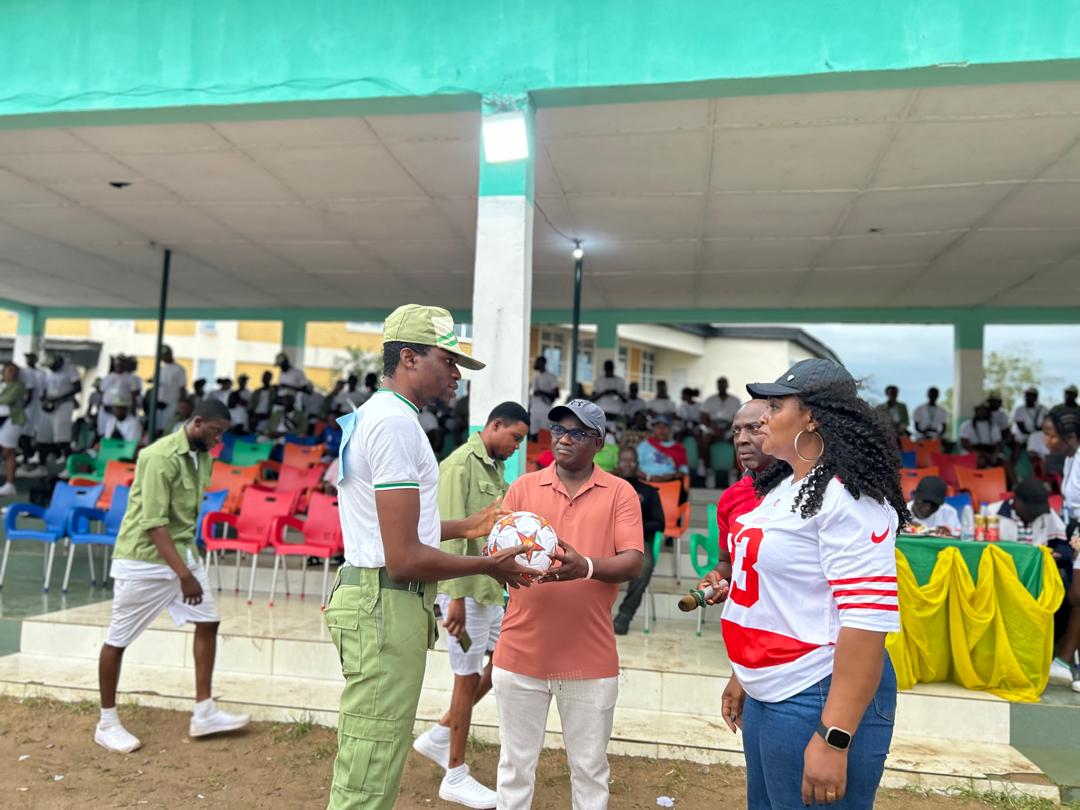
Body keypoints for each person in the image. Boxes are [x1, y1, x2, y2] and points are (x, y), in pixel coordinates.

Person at [326, 304, 535, 810]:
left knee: (371, 752)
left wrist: (464, 527)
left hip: (379, 597)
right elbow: (403, 557)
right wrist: (489, 565)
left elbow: (390, 531)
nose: (456, 375)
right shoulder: (396, 426)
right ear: (409, 358)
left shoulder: (380, 416)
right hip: (386, 600)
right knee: (372, 763)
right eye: (449, 361)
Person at [722, 358, 906, 809]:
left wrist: (834, 736)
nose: (762, 419)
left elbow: (867, 624)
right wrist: (744, 675)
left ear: (812, 418)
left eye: (775, 406)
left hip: (815, 693)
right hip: (770, 689)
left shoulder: (849, 500)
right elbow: (772, 599)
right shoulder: (784, 488)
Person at [492, 398, 643, 809]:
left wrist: (586, 567)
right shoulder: (523, 487)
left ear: (599, 442)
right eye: (559, 430)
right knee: (514, 768)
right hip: (520, 653)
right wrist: (499, 566)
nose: (564, 439)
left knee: (590, 770)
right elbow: (498, 551)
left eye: (578, 433)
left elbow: (633, 561)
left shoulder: (620, 493)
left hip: (589, 660)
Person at [94, 399, 249, 753]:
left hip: (182, 554)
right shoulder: (158, 456)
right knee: (117, 639)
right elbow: (153, 524)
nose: (218, 440)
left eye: (222, 434)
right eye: (214, 432)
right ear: (197, 422)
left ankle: (204, 712)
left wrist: (186, 568)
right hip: (144, 561)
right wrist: (184, 576)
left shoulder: (203, 456)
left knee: (208, 621)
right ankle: (107, 723)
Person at [412, 401, 530, 808]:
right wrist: (455, 600)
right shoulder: (459, 465)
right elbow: (447, 536)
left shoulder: (495, 468)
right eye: (514, 437)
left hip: (487, 588)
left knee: (507, 660)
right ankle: (455, 774)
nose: (517, 446)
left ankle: (442, 732)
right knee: (465, 678)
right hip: (463, 591)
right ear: (495, 425)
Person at [696, 400, 776, 605]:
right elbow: (727, 562)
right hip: (741, 621)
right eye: (736, 431)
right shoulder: (731, 497)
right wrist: (716, 578)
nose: (741, 440)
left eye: (754, 428)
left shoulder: (807, 493)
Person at [1043, 406, 1080, 693]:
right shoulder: (1070, 459)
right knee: (1076, 596)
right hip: (1077, 532)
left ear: (1070, 437)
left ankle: (1066, 660)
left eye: (1050, 434)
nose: (1046, 440)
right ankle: (1066, 661)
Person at [611, 446, 665, 634]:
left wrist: (633, 529)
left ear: (637, 464)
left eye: (631, 460)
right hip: (607, 539)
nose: (627, 464)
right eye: (623, 460)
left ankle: (625, 615)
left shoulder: (648, 491)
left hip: (637, 542)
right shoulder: (608, 488)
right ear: (617, 463)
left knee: (645, 565)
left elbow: (659, 523)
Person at [37, 353, 82, 462]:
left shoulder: (70, 369)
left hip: (64, 405)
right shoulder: (48, 373)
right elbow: (44, 389)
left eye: (53, 366)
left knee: (62, 437)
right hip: (49, 404)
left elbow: (77, 387)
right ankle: (43, 463)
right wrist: (44, 400)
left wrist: (58, 399)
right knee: (43, 437)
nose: (51, 368)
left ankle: (69, 463)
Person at [0, 362, 28, 496]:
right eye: (9, 370)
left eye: (14, 371)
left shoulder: (19, 386)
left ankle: (10, 484)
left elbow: (7, 399)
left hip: (12, 420)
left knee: (8, 451)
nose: (12, 373)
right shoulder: (1, 385)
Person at [635, 415, 688, 483]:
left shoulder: (678, 448)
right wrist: (649, 477)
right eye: (658, 427)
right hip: (645, 481)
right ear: (653, 429)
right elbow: (634, 467)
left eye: (665, 426)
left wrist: (672, 476)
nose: (661, 430)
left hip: (670, 483)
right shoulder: (644, 445)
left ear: (670, 429)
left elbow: (683, 470)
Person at [156, 345, 188, 433]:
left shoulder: (179, 369)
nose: (163, 357)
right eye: (162, 355)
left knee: (169, 429)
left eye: (165, 355)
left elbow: (182, 388)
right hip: (159, 405)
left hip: (172, 404)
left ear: (170, 354)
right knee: (158, 429)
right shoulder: (161, 369)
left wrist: (181, 407)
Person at [528, 356, 560, 438]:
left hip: (545, 411)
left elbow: (557, 394)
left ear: (543, 363)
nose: (535, 364)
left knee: (544, 436)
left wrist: (541, 392)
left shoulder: (551, 376)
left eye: (538, 362)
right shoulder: (535, 376)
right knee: (533, 435)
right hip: (534, 410)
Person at [592, 360, 626, 427]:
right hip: (602, 413)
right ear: (604, 368)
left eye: (610, 367)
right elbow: (592, 398)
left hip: (616, 414)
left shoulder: (620, 381)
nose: (609, 369)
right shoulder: (598, 380)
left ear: (613, 368)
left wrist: (617, 393)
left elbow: (625, 400)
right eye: (607, 368)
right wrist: (603, 393)